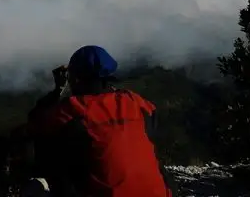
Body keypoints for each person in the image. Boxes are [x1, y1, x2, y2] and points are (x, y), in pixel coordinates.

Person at [23, 45, 177, 197]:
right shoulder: (136, 102)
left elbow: (36, 123)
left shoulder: (71, 110)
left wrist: (57, 90)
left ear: (75, 78)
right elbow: (151, 122)